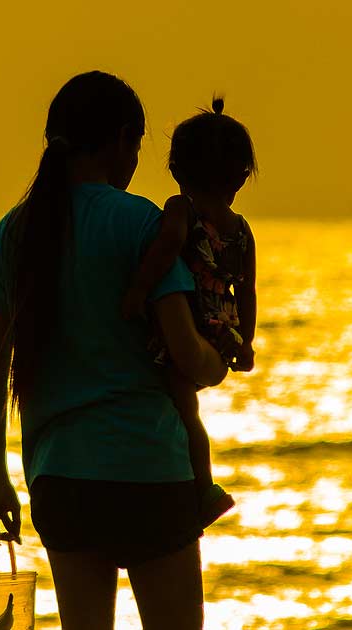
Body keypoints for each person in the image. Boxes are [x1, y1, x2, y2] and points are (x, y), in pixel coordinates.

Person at [0, 70, 227, 630]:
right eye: (136, 144)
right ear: (118, 140)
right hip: (149, 472)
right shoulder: (142, 223)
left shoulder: (15, 230)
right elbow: (188, 355)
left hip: (61, 480)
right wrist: (222, 361)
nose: (135, 160)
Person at [120, 96, 258, 529]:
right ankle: (199, 484)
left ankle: (204, 487)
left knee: (181, 403)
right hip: (222, 329)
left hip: (190, 324)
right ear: (240, 178)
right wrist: (246, 341)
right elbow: (248, 290)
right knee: (186, 403)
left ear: (176, 170)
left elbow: (166, 247)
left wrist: (139, 289)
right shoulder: (242, 230)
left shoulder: (182, 210)